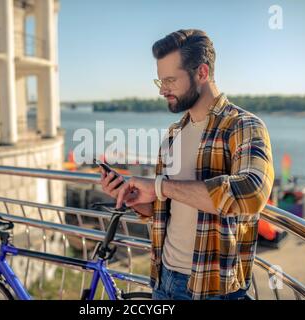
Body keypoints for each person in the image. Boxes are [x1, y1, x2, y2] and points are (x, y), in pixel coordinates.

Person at [99, 29, 275, 300]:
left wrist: (161, 187)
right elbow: (169, 208)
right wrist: (137, 199)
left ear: (202, 73)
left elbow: (252, 193)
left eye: (170, 80)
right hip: (163, 278)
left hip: (211, 289)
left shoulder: (243, 125)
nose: (162, 90)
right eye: (159, 81)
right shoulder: (173, 133)